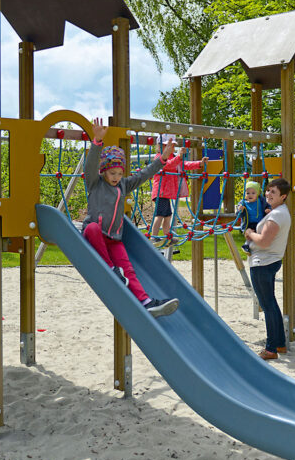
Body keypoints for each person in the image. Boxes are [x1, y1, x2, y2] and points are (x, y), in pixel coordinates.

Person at [82, 118, 180, 317]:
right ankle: (111, 269)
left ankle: (146, 302)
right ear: (104, 171)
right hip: (95, 236)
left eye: (119, 173)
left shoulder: (123, 185)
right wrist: (97, 142)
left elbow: (144, 174)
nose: (116, 177)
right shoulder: (95, 183)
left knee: (128, 269)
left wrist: (163, 158)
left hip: (114, 239)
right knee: (92, 227)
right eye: (112, 173)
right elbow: (90, 166)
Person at [244, 178, 292, 360]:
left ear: (283, 196)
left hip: (263, 263)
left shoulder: (276, 215)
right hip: (269, 261)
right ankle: (279, 344)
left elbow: (264, 241)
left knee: (267, 305)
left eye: (274, 192)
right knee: (271, 303)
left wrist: (250, 233)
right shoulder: (278, 212)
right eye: (268, 190)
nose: (268, 194)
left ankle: (271, 348)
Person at [151, 138, 208, 238]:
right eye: (169, 145)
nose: (172, 147)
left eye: (173, 145)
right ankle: (154, 236)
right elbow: (169, 165)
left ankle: (167, 236)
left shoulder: (173, 157)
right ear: (161, 147)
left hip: (167, 193)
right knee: (160, 215)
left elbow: (184, 165)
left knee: (168, 215)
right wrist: (179, 157)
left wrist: (199, 163)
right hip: (161, 192)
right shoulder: (159, 158)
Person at [239, 180, 270, 254]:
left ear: (257, 194)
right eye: (248, 193)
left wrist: (268, 209)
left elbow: (268, 205)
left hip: (261, 222)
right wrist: (240, 210)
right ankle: (246, 245)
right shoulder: (243, 203)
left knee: (262, 233)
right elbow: (239, 215)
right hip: (249, 223)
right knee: (249, 234)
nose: (250, 195)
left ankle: (262, 246)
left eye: (253, 193)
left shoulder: (261, 200)